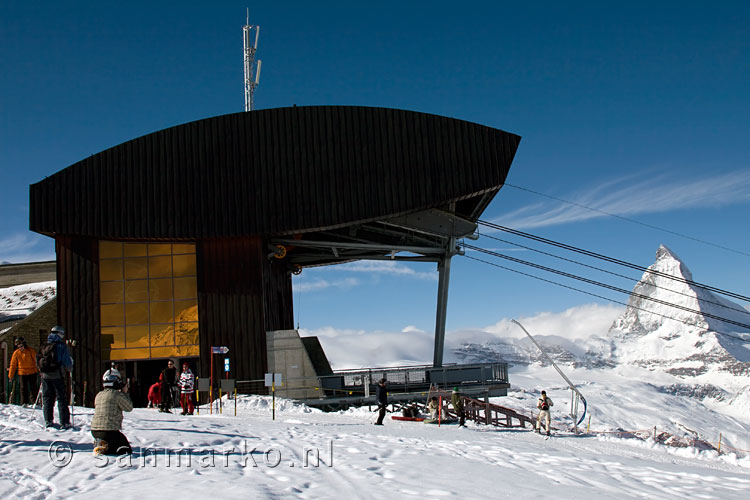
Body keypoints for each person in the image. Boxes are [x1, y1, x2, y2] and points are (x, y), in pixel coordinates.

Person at [37, 326, 73, 429]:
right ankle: (64, 422)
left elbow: (38, 359)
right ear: (60, 334)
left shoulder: (44, 345)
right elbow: (67, 361)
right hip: (57, 375)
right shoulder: (61, 346)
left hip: (45, 376)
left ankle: (48, 421)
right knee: (61, 398)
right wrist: (70, 369)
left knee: (47, 398)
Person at [91, 369, 133, 455]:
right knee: (125, 449)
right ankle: (107, 448)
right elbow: (129, 408)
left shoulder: (99, 395)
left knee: (113, 440)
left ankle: (101, 443)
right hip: (110, 431)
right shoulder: (117, 395)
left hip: (94, 430)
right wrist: (125, 393)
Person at [8, 337, 38, 405]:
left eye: (21, 346)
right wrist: (10, 375)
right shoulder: (16, 353)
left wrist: (40, 370)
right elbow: (13, 365)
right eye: (18, 346)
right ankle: (24, 402)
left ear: (24, 344)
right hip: (22, 372)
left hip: (32, 371)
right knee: (23, 388)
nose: (20, 348)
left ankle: (34, 402)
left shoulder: (31, 351)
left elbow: (36, 361)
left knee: (33, 387)